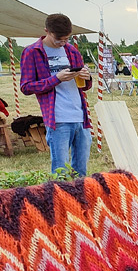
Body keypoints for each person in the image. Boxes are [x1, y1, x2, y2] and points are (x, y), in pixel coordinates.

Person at [20, 13, 93, 177]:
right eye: (58, 39)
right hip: (57, 119)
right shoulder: (32, 52)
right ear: (47, 31)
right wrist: (55, 79)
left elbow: (84, 86)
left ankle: (79, 202)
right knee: (60, 172)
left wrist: (87, 78)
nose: (62, 42)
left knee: (81, 172)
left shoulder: (72, 51)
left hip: (80, 117)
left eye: (66, 39)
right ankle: (60, 202)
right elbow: (26, 87)